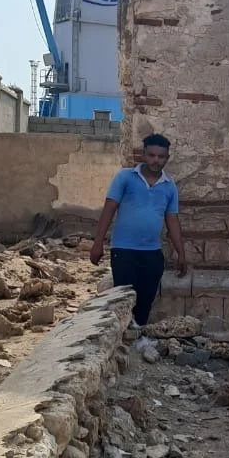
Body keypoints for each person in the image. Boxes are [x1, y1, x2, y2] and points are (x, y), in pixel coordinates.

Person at [90, 133, 188, 327]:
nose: (156, 160)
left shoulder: (169, 186)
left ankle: (138, 337)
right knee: (124, 301)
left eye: (161, 156)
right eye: (151, 155)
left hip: (152, 253)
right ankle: (123, 337)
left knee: (145, 302)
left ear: (167, 158)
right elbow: (109, 209)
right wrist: (97, 243)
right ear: (144, 155)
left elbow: (172, 221)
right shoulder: (125, 177)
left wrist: (181, 253)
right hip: (123, 251)